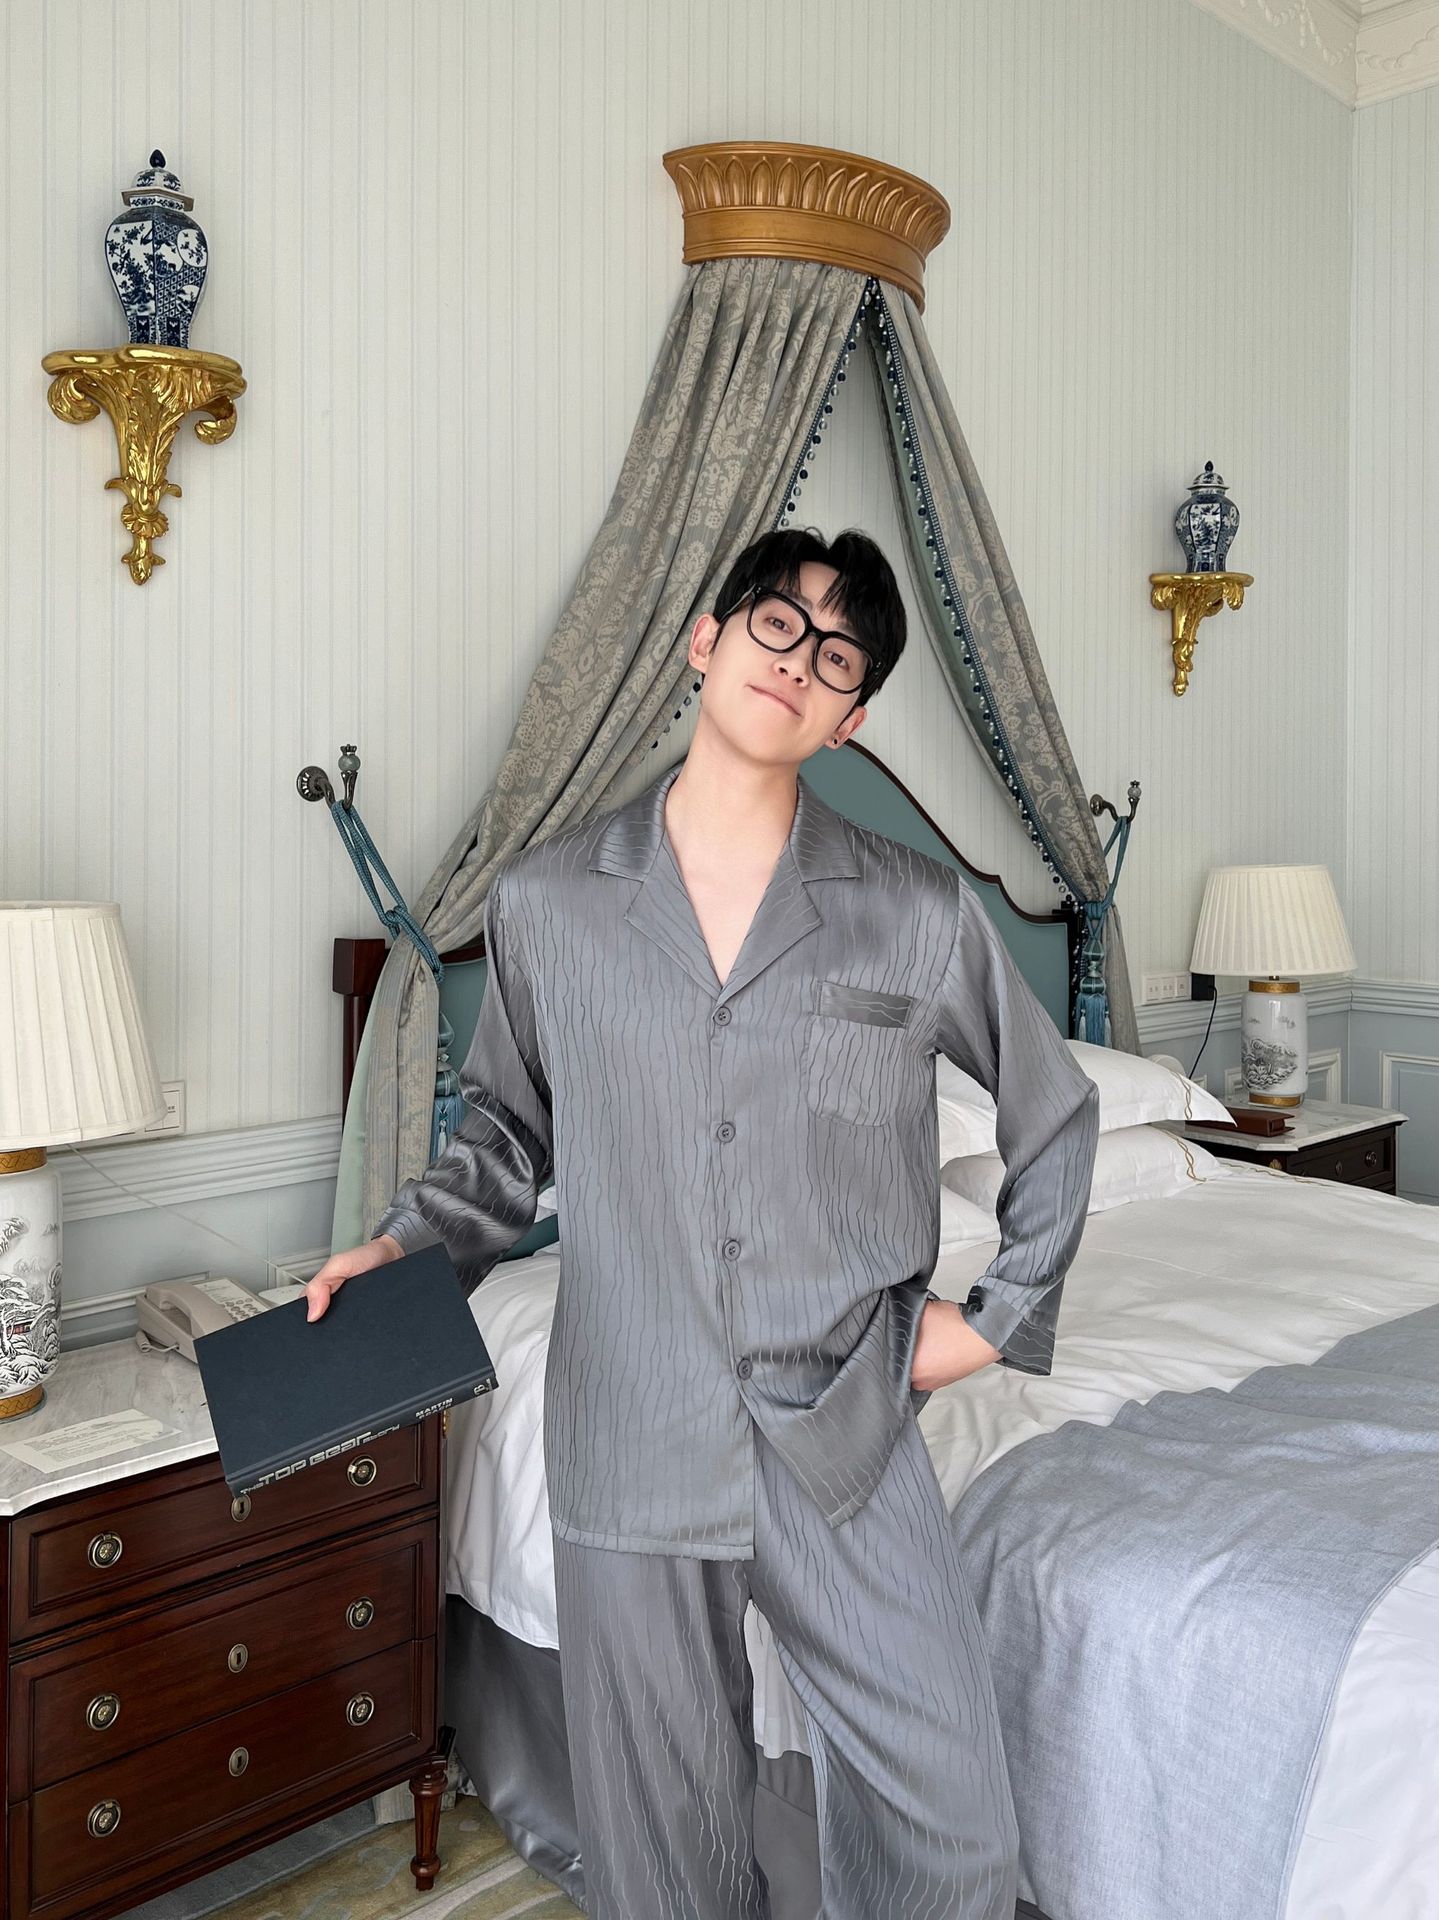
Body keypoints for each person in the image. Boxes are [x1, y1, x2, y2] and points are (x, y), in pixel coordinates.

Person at [306, 525, 1100, 1920]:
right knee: (664, 1855)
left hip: (845, 1426)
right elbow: (505, 1142)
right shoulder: (548, 905)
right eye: (777, 624)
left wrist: (990, 1325)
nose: (798, 661)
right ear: (706, 641)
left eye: (837, 656)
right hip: (634, 1430)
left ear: (852, 718)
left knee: (956, 1830)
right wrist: (398, 1250)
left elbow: (1056, 1111)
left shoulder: (916, 912)